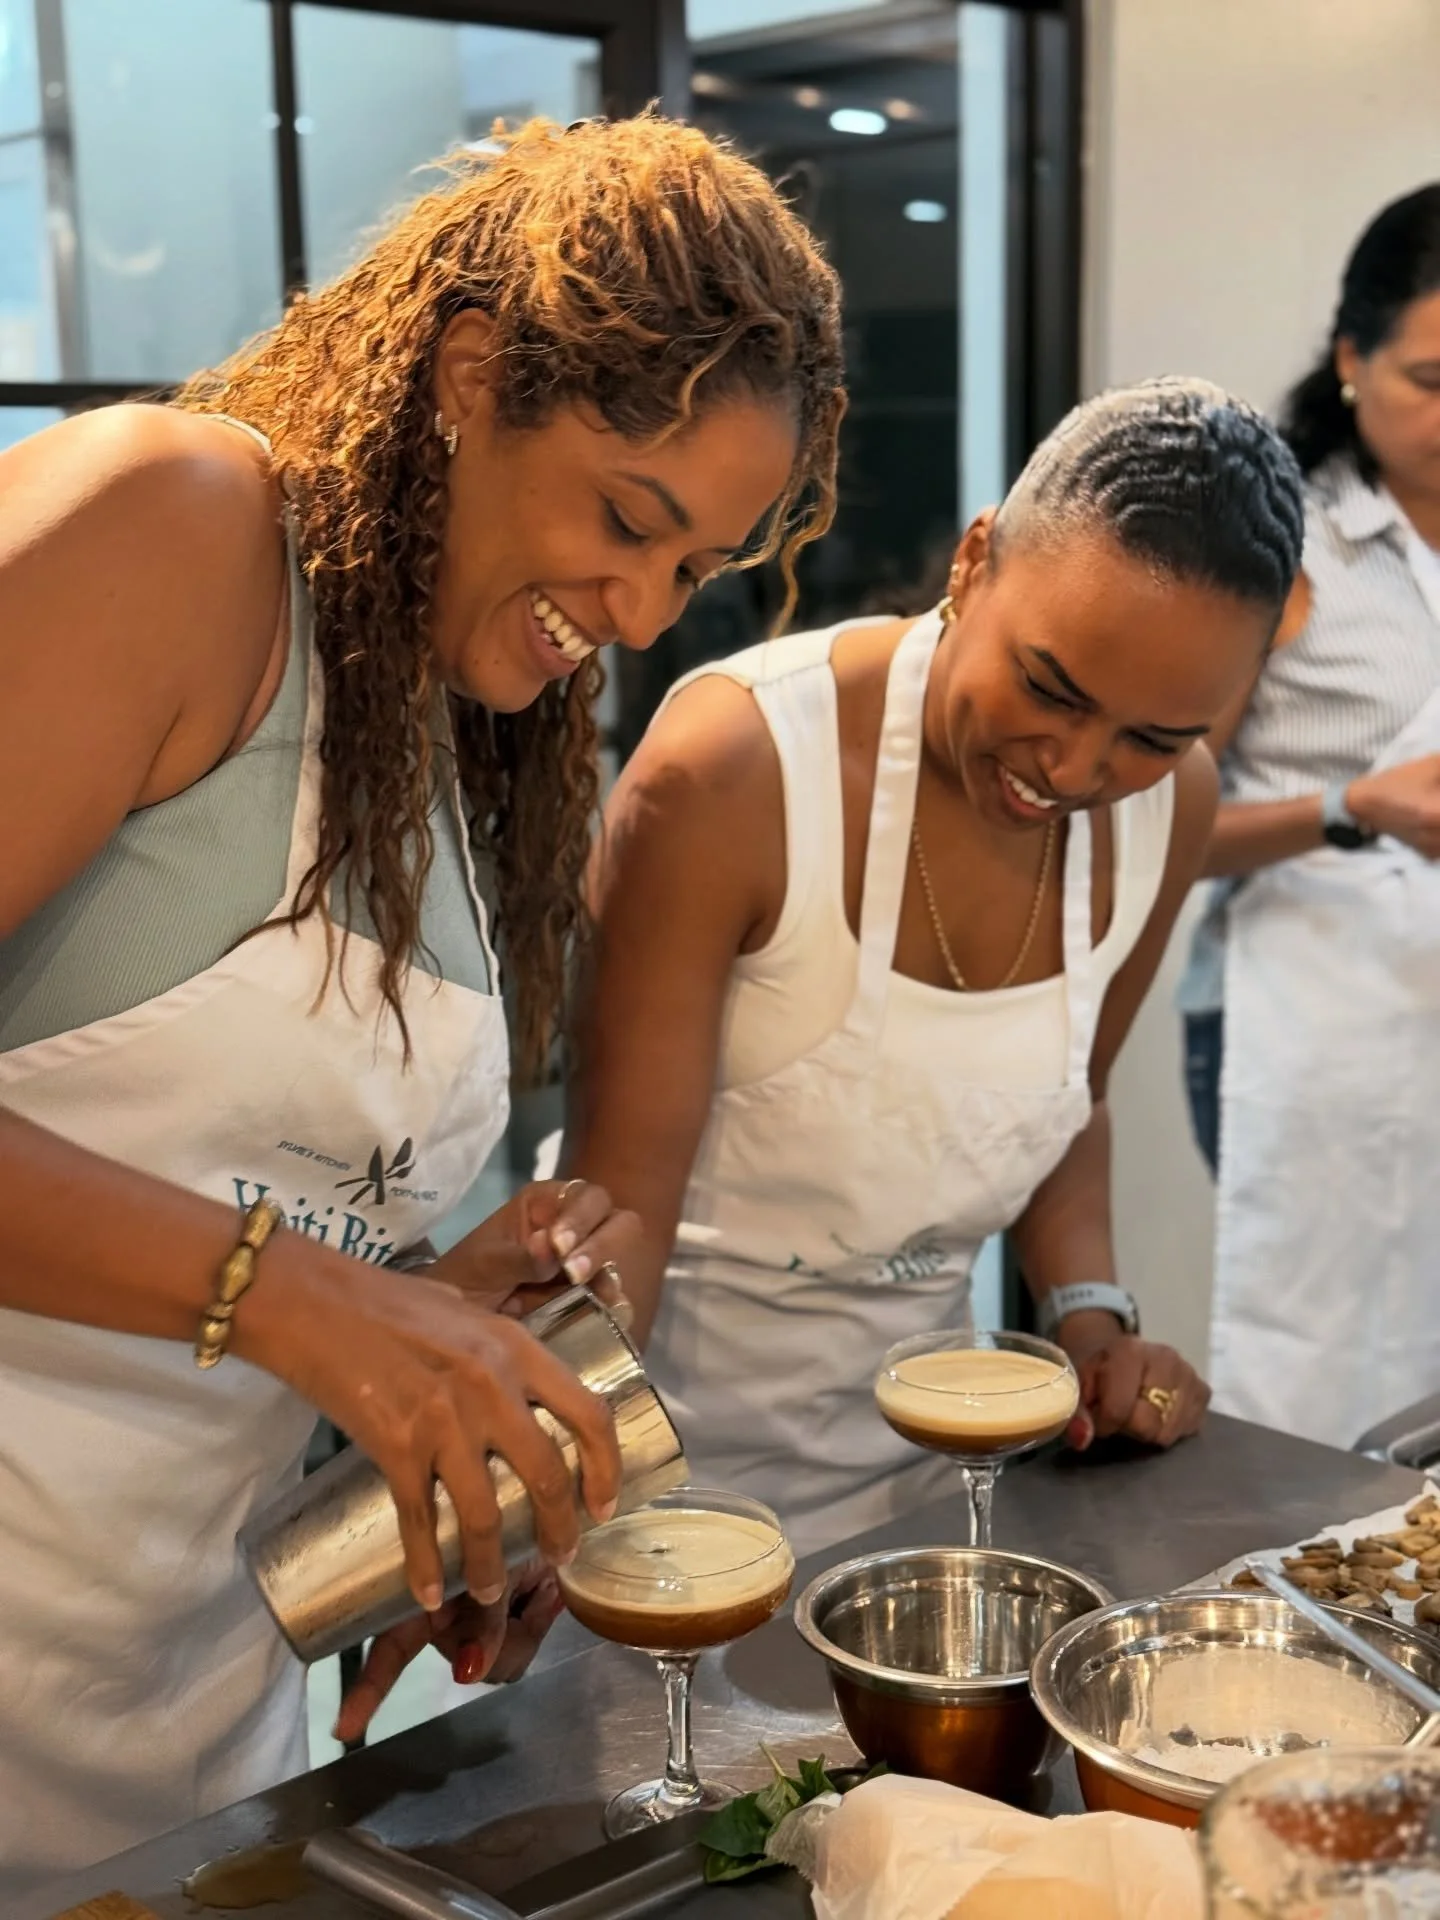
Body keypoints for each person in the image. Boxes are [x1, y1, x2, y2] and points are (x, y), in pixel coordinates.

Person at [0, 114, 843, 1895]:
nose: (635, 609)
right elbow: (240, 1261)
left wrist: (444, 1341)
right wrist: (296, 1296)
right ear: (469, 373)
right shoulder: (178, 523)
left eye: (693, 569)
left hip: (176, 1709)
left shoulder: (450, 747)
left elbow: (213, 1192)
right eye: (630, 520)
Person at [557, 378, 1305, 1557]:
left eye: (1155, 740)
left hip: (930, 1495)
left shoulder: (1173, 815)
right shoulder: (739, 768)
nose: (1073, 767)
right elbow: (618, 1208)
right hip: (659, 1482)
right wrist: (563, 1486)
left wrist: (1093, 1324)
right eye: (1050, 687)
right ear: (972, 566)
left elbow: (1071, 1101)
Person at [1178, 185, 1440, 1447]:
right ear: (1352, 358)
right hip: (1302, 1020)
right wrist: (1356, 807)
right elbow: (1158, 829)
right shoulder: (1285, 545)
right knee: (1322, 1354)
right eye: (1432, 379)